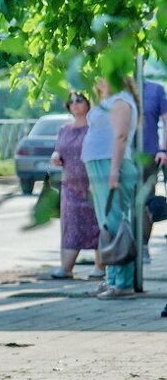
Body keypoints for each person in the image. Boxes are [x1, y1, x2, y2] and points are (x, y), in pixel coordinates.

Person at [82, 74, 140, 299]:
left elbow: (121, 136)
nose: (99, 81)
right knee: (107, 225)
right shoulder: (109, 101)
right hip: (100, 165)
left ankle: (123, 283)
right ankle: (113, 278)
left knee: (115, 225)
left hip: (110, 165)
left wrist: (114, 171)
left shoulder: (120, 101)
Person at [49, 92, 102, 280]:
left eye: (79, 100)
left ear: (88, 102)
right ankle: (66, 268)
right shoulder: (65, 129)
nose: (75, 104)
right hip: (70, 185)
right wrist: (56, 157)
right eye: (71, 102)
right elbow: (59, 150)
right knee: (71, 225)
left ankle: (100, 266)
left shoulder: (95, 128)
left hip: (93, 184)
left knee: (98, 224)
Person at [137, 79, 167, 259]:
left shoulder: (155, 90)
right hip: (120, 155)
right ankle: (120, 246)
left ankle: (142, 246)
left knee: (146, 201)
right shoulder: (115, 88)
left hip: (147, 155)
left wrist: (163, 149)